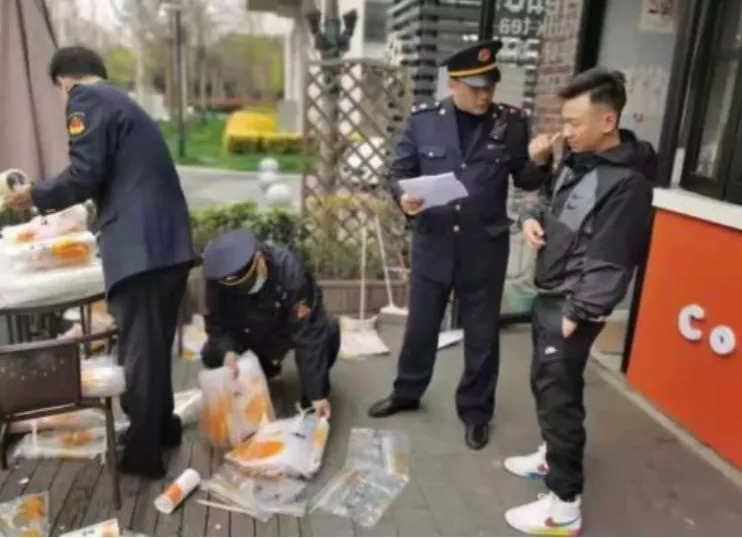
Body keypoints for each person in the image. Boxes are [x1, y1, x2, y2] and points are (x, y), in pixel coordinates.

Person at [4, 46, 195, 478]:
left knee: (139, 352)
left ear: (63, 81)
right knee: (154, 346)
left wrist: (33, 194)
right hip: (168, 246)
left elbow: (84, 173)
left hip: (140, 249)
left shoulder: (86, 100)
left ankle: (143, 456)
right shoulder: (122, 101)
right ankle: (160, 429)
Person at [367, 39, 547, 450]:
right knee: (421, 326)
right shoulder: (424, 121)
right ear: (453, 84)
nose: (485, 96)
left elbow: (526, 178)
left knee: (481, 334)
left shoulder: (512, 123)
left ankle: (476, 411)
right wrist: (403, 197)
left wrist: (539, 161)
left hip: (484, 247)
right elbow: (398, 172)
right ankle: (407, 392)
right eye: (476, 88)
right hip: (434, 242)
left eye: (490, 86)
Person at [502, 67, 655, 535]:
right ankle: (552, 457)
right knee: (549, 385)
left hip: (572, 304)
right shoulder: (577, 159)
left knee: (559, 399)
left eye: (574, 123)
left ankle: (563, 507)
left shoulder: (627, 183)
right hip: (551, 292)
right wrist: (531, 218)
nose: (565, 132)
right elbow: (545, 199)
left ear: (608, 121)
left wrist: (579, 313)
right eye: (564, 121)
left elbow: (614, 258)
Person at [200, 229, 339, 419]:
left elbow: (308, 332)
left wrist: (317, 394)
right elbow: (215, 320)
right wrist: (227, 351)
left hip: (284, 329)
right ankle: (263, 370)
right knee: (211, 354)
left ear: (259, 259)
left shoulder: (291, 273)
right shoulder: (219, 278)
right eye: (238, 287)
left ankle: (310, 402)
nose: (246, 289)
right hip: (246, 332)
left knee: (328, 330)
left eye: (248, 282)